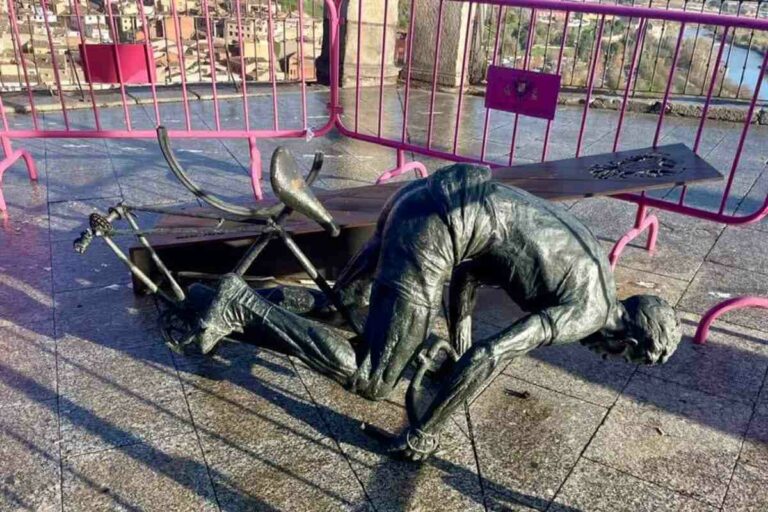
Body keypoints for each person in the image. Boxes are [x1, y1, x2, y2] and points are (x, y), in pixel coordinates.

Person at [185, 160, 682, 460]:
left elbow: (474, 268)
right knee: (373, 378)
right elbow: (492, 355)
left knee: (345, 306)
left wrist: (459, 341)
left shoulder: (595, 267)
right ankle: (239, 303)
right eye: (626, 357)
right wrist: (425, 432)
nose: (610, 358)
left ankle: (212, 302)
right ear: (628, 340)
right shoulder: (588, 313)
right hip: (437, 227)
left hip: (422, 199)